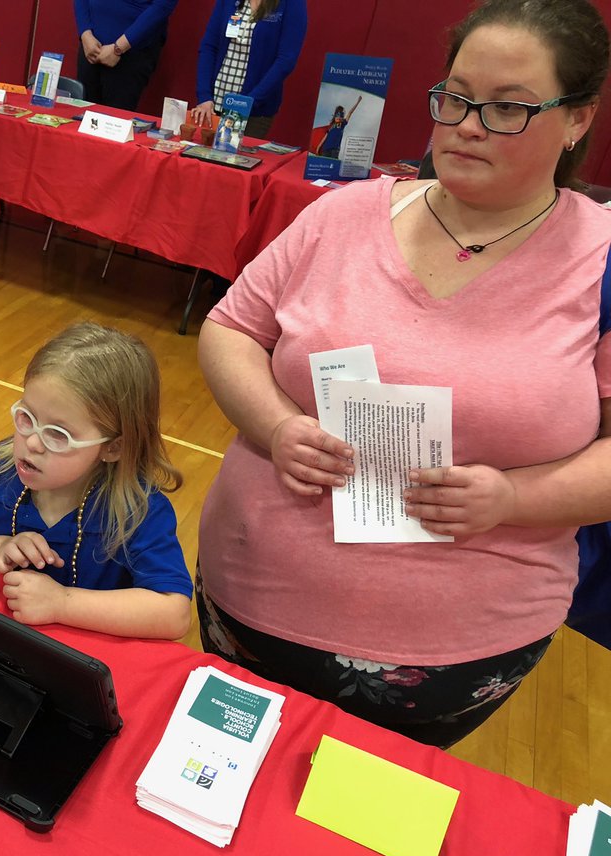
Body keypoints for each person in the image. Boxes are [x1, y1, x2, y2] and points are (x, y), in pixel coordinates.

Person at [196, 0, 609, 748]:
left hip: (452, 654)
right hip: (247, 604)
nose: (468, 125)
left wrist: (513, 497)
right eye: (454, 97)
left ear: (578, 118)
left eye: (509, 108)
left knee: (350, 845)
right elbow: (230, 330)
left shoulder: (600, 259)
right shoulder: (343, 215)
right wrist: (277, 426)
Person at [0, 323, 192, 639]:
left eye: (58, 435)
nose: (32, 443)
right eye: (26, 418)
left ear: (113, 447)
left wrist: (61, 604)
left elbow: (175, 613)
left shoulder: (138, 511)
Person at [192, 0, 307, 139]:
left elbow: (286, 60)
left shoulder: (291, 3)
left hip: (254, 112)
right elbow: (209, 46)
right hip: (212, 106)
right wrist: (204, 95)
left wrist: (248, 103)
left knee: (234, 159)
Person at [74, 0, 177, 113]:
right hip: (91, 46)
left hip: (132, 51)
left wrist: (118, 48)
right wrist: (85, 33)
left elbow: (162, 7)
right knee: (81, 118)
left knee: (113, 121)